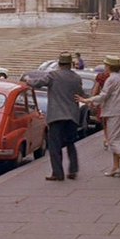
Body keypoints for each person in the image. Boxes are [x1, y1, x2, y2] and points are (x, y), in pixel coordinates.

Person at [26, 52, 84, 181]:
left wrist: (28, 81)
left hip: (56, 116)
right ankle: (73, 170)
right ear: (70, 64)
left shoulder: (53, 75)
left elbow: (38, 83)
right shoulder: (76, 78)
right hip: (72, 116)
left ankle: (58, 173)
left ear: (59, 63)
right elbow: (81, 94)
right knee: (70, 143)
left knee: (55, 145)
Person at [76, 55, 120, 179]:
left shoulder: (111, 79)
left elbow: (103, 96)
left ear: (109, 67)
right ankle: (116, 167)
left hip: (115, 112)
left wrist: (87, 100)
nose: (104, 67)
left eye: (105, 65)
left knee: (113, 140)